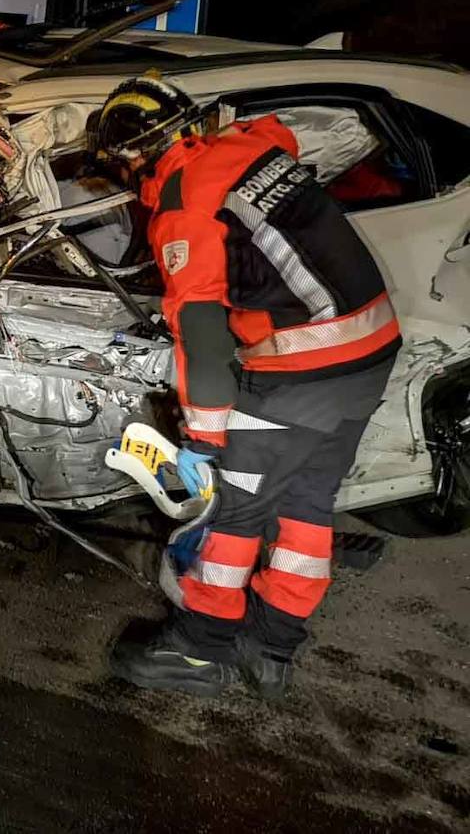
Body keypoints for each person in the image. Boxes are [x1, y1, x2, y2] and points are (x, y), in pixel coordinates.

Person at [94, 76, 401, 700]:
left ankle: (201, 650)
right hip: (369, 350)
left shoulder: (185, 207)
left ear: (131, 160)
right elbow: (280, 144)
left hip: (302, 373)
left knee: (234, 511)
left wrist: (204, 436)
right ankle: (271, 646)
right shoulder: (252, 145)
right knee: (308, 504)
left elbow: (201, 333)